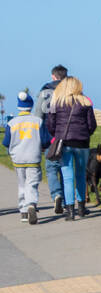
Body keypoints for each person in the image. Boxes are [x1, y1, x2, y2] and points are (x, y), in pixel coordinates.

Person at [45, 76, 96, 221]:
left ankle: (70, 211)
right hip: (82, 143)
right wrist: (86, 134)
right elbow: (92, 124)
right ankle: (81, 207)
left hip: (64, 143)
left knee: (67, 177)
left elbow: (50, 124)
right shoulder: (85, 101)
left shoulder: (57, 102)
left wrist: (57, 134)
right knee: (80, 175)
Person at [4, 91, 49, 225]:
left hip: (18, 159)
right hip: (33, 157)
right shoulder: (38, 121)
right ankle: (31, 204)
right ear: (31, 105)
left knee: (22, 184)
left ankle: (23, 212)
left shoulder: (12, 123)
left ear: (18, 107)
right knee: (32, 183)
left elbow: (6, 142)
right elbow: (46, 140)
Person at [33, 65, 66, 215]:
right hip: (67, 134)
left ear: (53, 76)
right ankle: (66, 201)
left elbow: (38, 115)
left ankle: (56, 195)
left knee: (51, 168)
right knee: (65, 168)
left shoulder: (45, 91)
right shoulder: (71, 89)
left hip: (49, 135)